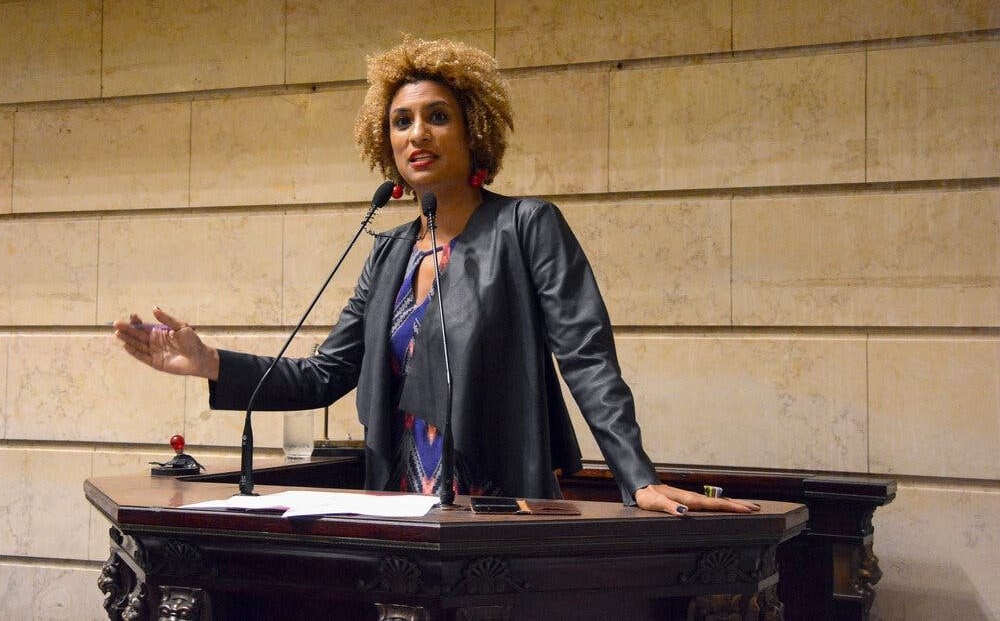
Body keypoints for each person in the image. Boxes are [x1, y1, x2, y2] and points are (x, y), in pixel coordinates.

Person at [114, 37, 759, 517]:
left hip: (501, 515)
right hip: (397, 517)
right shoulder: (386, 253)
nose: (417, 133)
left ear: (473, 129)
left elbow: (588, 358)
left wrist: (636, 476)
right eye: (401, 121)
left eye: (436, 116)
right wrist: (209, 362)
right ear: (385, 143)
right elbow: (322, 375)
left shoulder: (526, 227)